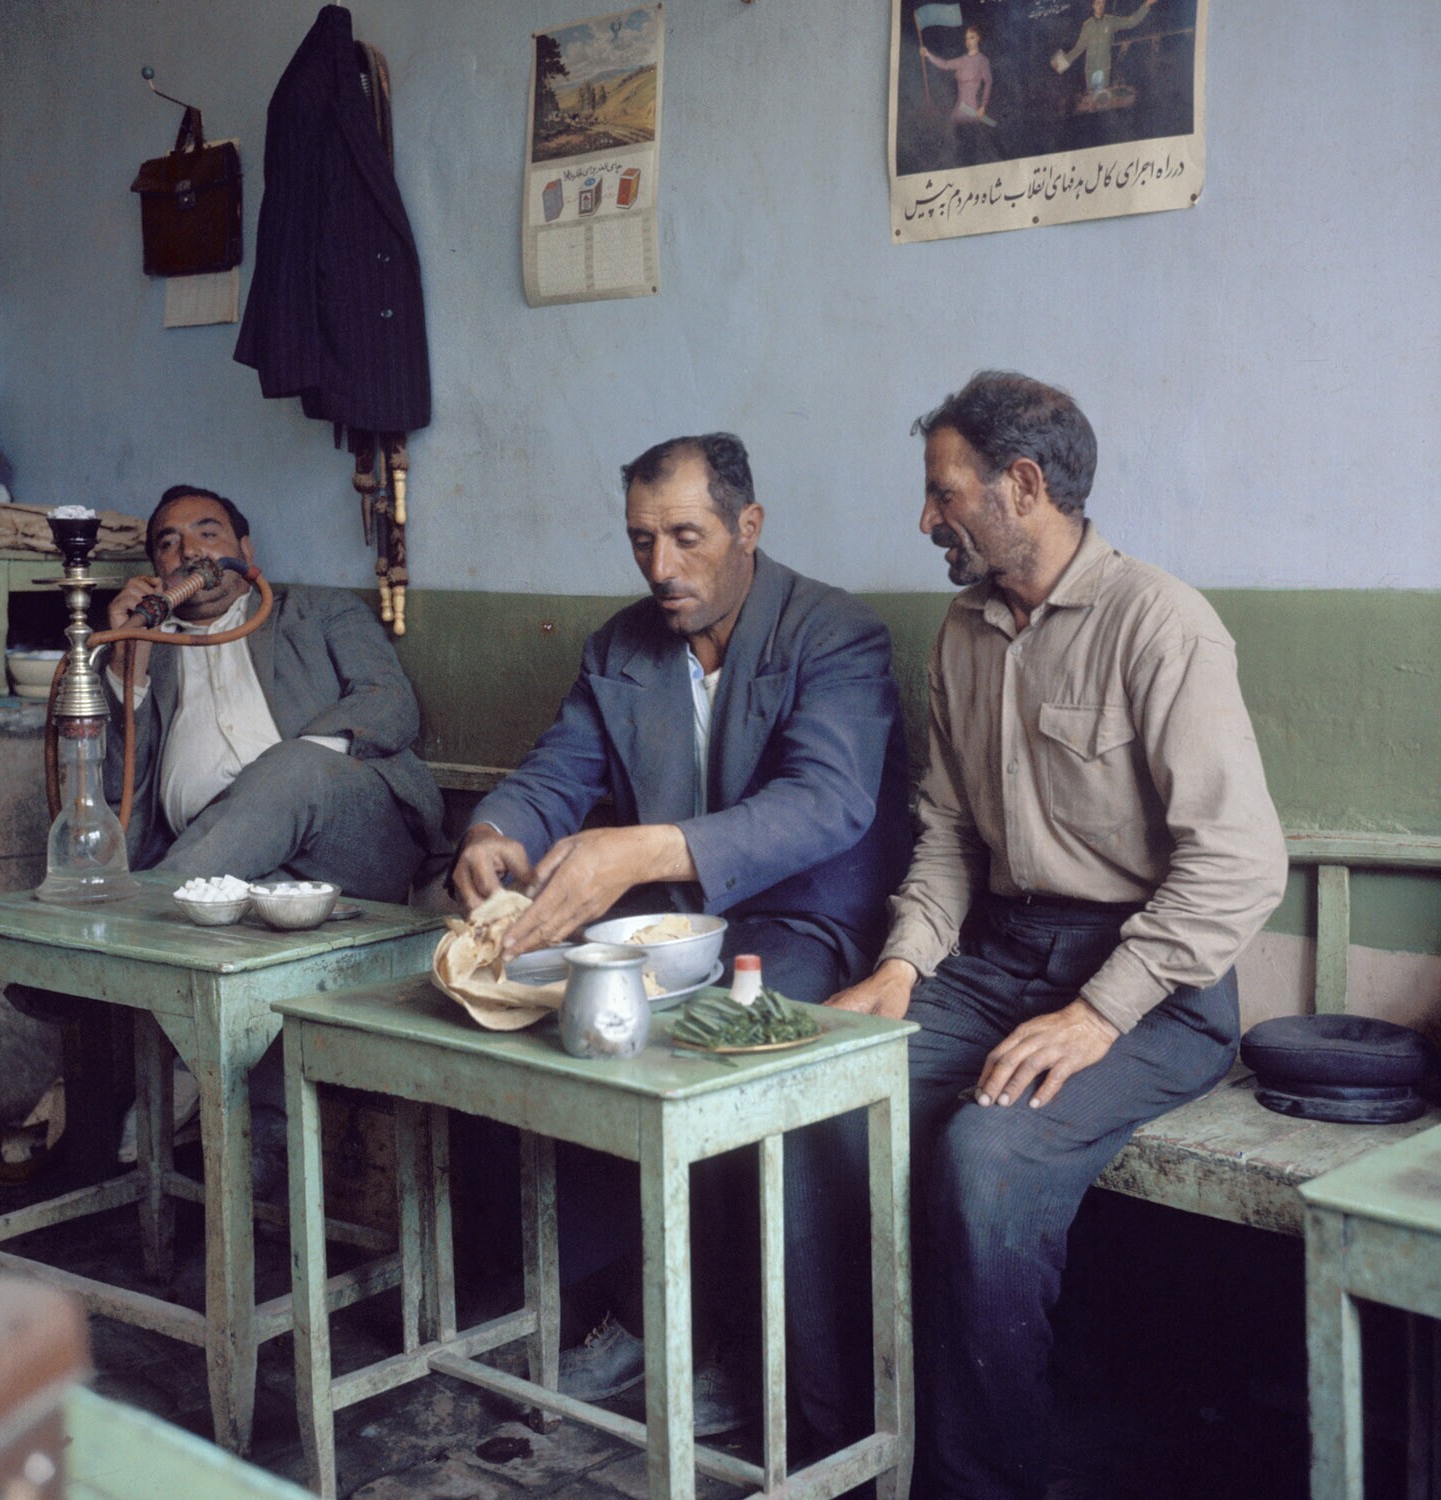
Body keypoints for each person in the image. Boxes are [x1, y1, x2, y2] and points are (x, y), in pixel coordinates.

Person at [828, 372, 1287, 1499]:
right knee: (828, 1098)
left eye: (944, 494)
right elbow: (946, 832)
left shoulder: (1162, 624)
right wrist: (902, 965)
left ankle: (977, 1485)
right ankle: (845, 1449)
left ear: (1022, 486)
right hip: (999, 961)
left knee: (986, 1157)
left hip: (1154, 993)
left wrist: (1095, 1013)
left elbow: (1239, 865)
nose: (926, 519)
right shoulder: (965, 631)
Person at [453, 432, 912, 1440]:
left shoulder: (835, 633)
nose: (661, 566)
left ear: (749, 527)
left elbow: (827, 802)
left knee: (717, 1052)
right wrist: (494, 833)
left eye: (687, 538)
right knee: (571, 1028)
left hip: (801, 923)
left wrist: (640, 851)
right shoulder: (621, 646)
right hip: (669, 923)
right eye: (640, 541)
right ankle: (639, 1311)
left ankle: (748, 1355)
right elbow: (558, 773)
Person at [103, 484, 445, 901]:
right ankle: (190, 897)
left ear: (245, 551)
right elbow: (118, 793)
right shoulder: (147, 651)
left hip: (351, 836)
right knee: (246, 899)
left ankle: (147, 907)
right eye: (169, 543)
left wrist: (285, 775)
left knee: (295, 766)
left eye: (207, 533)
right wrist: (128, 662)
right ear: (156, 569)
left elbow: (390, 700)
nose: (189, 551)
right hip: (233, 865)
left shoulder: (318, 610)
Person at [1053, 0, 1158, 97]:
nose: (1100, 6)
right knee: (1092, 101)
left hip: (1104, 70)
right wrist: (1060, 63)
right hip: (1091, 71)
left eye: (1103, 3)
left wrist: (1147, 4)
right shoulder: (1087, 26)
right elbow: (1078, 49)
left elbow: (1130, 22)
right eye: (1098, 3)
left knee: (1102, 100)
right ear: (1093, 6)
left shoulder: (1111, 21)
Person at [923, 26, 995, 128]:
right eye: (967, 38)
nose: (968, 41)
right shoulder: (961, 60)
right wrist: (928, 55)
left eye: (972, 37)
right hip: (959, 109)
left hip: (973, 111)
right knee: (950, 132)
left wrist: (983, 106)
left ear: (978, 38)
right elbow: (945, 64)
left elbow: (988, 82)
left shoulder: (982, 60)